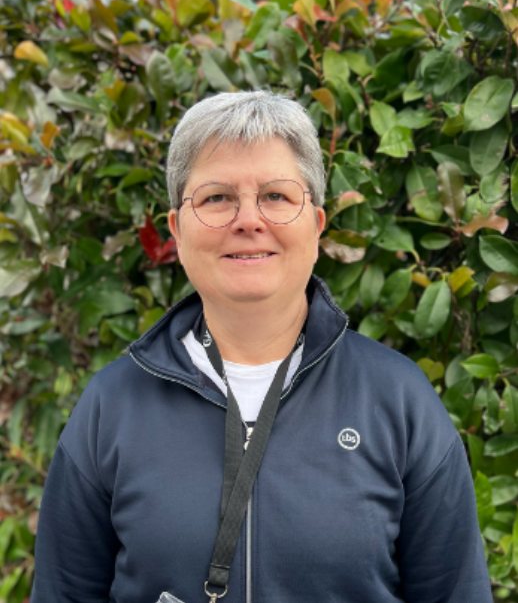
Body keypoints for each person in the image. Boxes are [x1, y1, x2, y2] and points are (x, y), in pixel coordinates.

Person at [31, 91, 493, 603]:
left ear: (316, 225)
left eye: (275, 196)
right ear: (177, 231)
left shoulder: (399, 400)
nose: (248, 220)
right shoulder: (111, 407)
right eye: (216, 198)